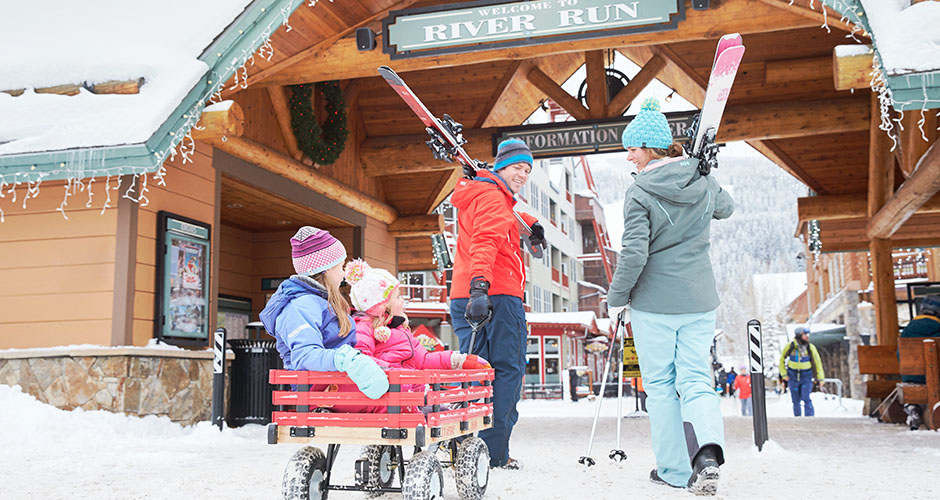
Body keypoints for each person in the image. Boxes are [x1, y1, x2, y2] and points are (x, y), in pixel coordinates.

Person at [606, 98, 734, 495]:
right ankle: (707, 454)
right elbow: (726, 208)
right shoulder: (700, 178)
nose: (628, 156)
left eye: (632, 148)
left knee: (661, 385)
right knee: (696, 379)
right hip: (699, 301)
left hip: (654, 306)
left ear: (649, 148)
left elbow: (634, 254)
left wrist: (616, 298)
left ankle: (676, 471)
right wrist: (706, 174)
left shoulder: (641, 192)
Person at [449, 138, 542, 470]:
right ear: (501, 167)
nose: (523, 174)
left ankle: (463, 443)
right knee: (507, 370)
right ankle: (493, 452)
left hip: (465, 293)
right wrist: (481, 287)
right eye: (518, 167)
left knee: (475, 371)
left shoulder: (480, 193)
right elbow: (487, 240)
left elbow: (508, 214)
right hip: (495, 294)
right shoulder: (493, 197)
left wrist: (532, 226)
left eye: (528, 169)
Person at [260, 227, 390, 405]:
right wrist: (346, 359)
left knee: (397, 382)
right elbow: (305, 355)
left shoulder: (322, 302)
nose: (344, 273)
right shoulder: (300, 306)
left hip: (334, 386)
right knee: (394, 396)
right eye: (341, 266)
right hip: (318, 393)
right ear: (327, 269)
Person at [899, 295, 940, 430]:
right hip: (937, 377)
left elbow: (899, 355)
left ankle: (914, 407)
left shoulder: (908, 330)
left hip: (912, 378)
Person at [778, 326, 824, 417]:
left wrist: (820, 378)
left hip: (806, 375)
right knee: (795, 400)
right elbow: (782, 360)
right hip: (793, 376)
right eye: (805, 335)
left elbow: (817, 362)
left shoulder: (810, 347)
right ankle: (797, 417)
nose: (807, 337)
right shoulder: (790, 347)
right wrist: (784, 374)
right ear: (799, 335)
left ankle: (809, 417)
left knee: (806, 397)